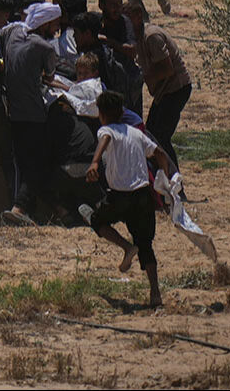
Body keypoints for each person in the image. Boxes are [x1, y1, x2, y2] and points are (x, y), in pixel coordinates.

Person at [82, 90, 171, 307]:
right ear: (122, 112)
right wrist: (165, 180)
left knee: (95, 219)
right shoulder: (136, 133)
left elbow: (106, 138)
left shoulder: (106, 129)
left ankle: (125, 247)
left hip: (120, 196)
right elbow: (160, 154)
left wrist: (94, 162)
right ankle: (155, 294)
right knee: (146, 244)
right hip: (143, 196)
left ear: (101, 114)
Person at [0, 2, 60, 226]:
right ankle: (20, 207)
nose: (57, 29)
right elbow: (49, 76)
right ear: (47, 23)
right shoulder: (45, 48)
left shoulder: (13, 32)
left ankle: (28, 206)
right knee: (37, 163)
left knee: (21, 161)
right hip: (34, 113)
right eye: (56, 24)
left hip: (13, 111)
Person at [125, 1, 191, 169]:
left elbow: (167, 69)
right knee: (151, 135)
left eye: (128, 19)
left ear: (139, 17)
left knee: (161, 137)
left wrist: (142, 77)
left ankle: (174, 181)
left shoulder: (151, 36)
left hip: (175, 89)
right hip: (163, 92)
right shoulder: (136, 38)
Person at [98, 0, 144, 116]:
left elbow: (131, 51)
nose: (116, 8)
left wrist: (107, 41)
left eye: (119, 4)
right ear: (101, 6)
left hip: (127, 83)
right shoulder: (97, 22)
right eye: (112, 5)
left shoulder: (125, 22)